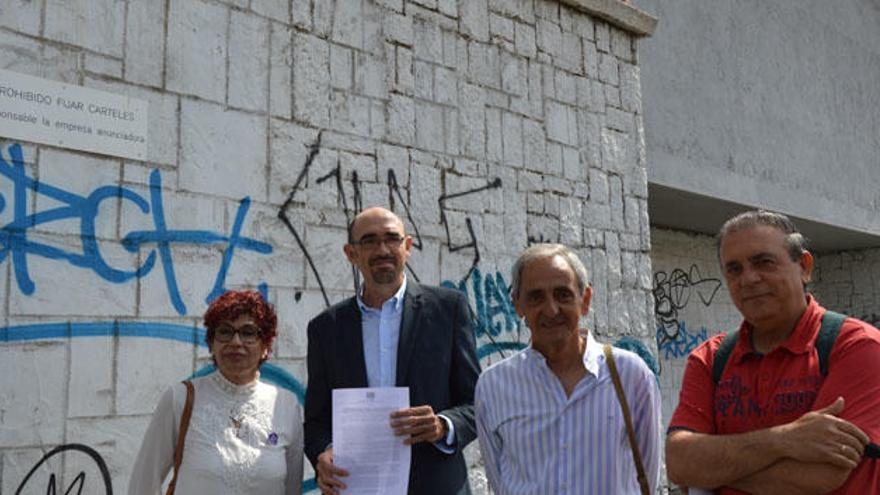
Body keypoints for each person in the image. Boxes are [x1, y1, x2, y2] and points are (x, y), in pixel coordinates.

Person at [666, 210, 880, 494]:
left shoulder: (858, 347)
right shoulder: (710, 358)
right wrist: (785, 439)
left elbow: (819, 475)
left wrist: (711, 468)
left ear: (804, 266)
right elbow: (679, 463)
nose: (749, 279)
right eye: (734, 269)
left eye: (763, 262)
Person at [304, 206, 480, 495]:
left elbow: (476, 402)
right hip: (357, 486)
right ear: (351, 253)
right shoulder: (326, 328)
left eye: (392, 238)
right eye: (369, 241)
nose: (382, 249)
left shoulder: (448, 310)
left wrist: (442, 425)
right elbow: (317, 420)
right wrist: (323, 453)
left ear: (407, 246)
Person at [475, 243, 662, 494]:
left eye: (563, 294)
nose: (551, 310)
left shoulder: (631, 375)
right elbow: (499, 482)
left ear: (585, 300)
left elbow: (647, 478)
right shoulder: (493, 386)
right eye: (536, 297)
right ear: (517, 305)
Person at [128, 290, 303, 495]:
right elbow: (143, 484)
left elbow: (292, 489)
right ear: (212, 343)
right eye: (225, 331)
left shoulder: (285, 405)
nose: (236, 342)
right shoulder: (180, 399)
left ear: (265, 345)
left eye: (248, 332)